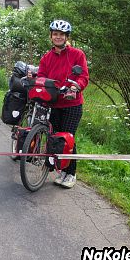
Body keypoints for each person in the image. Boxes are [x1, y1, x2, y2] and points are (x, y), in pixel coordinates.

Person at [34, 19, 89, 189]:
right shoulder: (46, 58)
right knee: (57, 139)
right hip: (54, 104)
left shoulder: (77, 54)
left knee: (68, 138)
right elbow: (41, 76)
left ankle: (71, 173)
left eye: (61, 34)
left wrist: (75, 86)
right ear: (51, 36)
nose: (58, 37)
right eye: (55, 34)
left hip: (72, 104)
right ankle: (61, 171)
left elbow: (83, 76)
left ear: (66, 37)